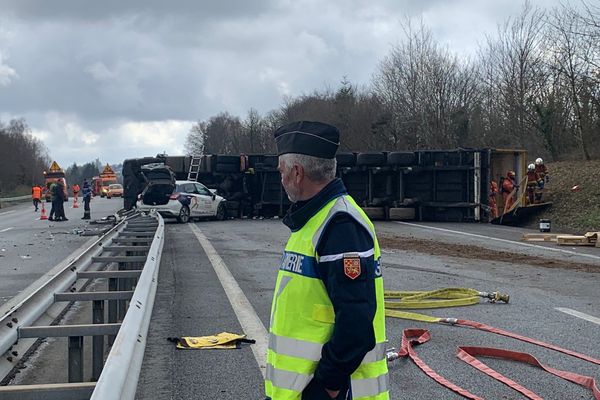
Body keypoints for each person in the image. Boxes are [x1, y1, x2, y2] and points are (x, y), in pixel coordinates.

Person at [265, 121, 389, 400]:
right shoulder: (315, 220)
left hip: (333, 392)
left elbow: (356, 325)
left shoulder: (340, 225)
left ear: (297, 173)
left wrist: (327, 387)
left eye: (282, 172)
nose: (281, 179)